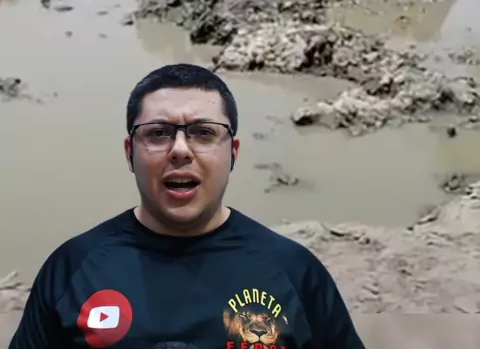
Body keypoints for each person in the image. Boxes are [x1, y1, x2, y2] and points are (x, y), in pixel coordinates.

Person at [8, 63, 366, 349]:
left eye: (203, 133)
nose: (180, 150)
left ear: (233, 153)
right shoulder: (73, 269)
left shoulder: (295, 271)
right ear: (130, 153)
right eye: (158, 133)